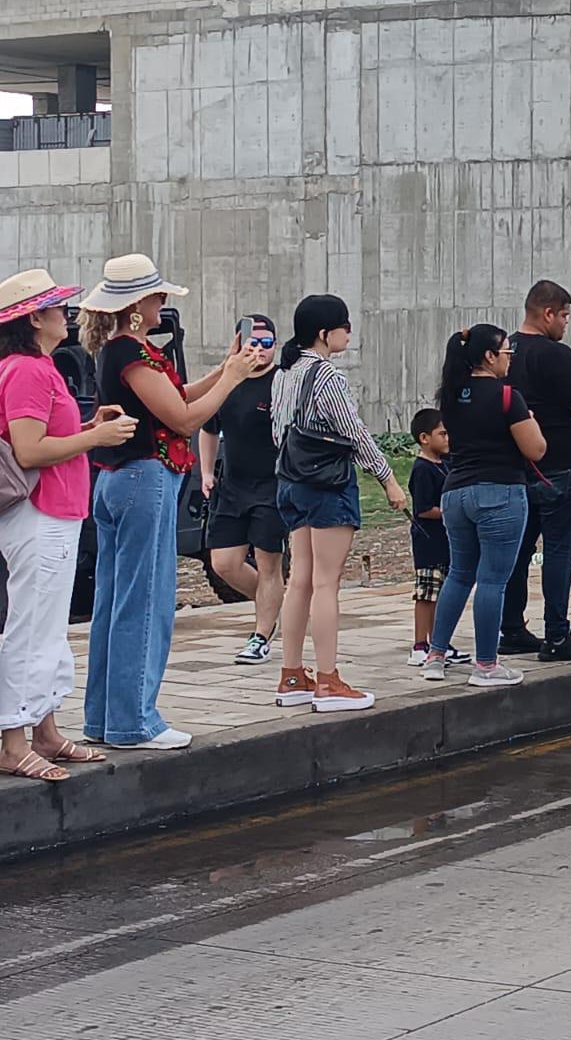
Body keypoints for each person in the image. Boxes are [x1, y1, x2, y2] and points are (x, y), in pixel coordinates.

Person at [80, 255, 256, 749]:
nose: (163, 304)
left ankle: (106, 718)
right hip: (144, 478)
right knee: (145, 601)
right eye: (158, 297)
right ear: (138, 305)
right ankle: (135, 721)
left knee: (115, 601)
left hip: (119, 481)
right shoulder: (131, 353)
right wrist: (232, 378)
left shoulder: (123, 350)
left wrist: (224, 369)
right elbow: (183, 418)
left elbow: (178, 396)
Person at [0, 269, 137, 780]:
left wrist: (85, 428)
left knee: (48, 627)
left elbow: (40, 441)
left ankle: (44, 731)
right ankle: (14, 740)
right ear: (35, 318)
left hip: (52, 510)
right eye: (58, 308)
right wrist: (95, 438)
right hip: (41, 512)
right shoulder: (29, 371)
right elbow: (30, 450)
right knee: (32, 627)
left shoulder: (36, 366)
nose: (68, 314)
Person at [271, 293, 406, 713]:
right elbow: (355, 432)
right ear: (324, 333)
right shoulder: (327, 376)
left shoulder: (284, 373)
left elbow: (277, 431)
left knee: (300, 579)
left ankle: (292, 676)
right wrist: (388, 479)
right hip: (327, 485)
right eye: (344, 326)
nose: (349, 332)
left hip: (290, 482)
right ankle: (328, 681)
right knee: (326, 583)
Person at [421, 324, 547, 686]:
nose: (510, 359)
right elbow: (536, 449)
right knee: (492, 580)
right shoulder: (507, 397)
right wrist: (531, 422)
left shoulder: (451, 394)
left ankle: (435, 656)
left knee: (460, 574)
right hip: (500, 493)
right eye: (507, 352)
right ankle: (486, 665)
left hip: (456, 494)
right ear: (490, 356)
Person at [502, 280, 571, 662]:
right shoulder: (554, 353)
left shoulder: (509, 350)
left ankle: (511, 628)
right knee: (559, 553)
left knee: (519, 553)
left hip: (522, 468)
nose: (567, 323)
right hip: (563, 468)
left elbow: (545, 391)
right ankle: (557, 634)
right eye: (564, 315)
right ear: (548, 313)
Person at [198, 314, 286, 666]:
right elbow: (207, 428)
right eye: (253, 343)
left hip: (272, 487)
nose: (260, 350)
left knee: (268, 564)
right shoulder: (227, 381)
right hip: (232, 487)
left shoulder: (282, 382)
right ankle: (275, 604)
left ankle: (261, 635)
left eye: (267, 343)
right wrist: (206, 472)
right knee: (224, 563)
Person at [406, 407, 459, 668]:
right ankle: (420, 645)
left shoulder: (445, 465)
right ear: (425, 438)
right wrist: (451, 512)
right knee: (426, 593)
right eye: (442, 434)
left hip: (445, 540)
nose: (447, 438)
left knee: (441, 593)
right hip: (428, 540)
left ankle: (439, 642)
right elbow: (424, 508)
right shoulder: (422, 469)